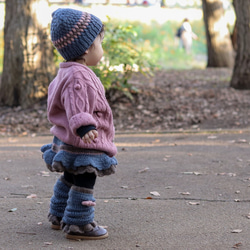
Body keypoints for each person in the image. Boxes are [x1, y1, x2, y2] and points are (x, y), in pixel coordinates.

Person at [40, 8, 118, 240]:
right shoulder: (79, 76)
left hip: (67, 138)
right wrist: (85, 126)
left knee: (70, 176)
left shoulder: (66, 71)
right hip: (83, 140)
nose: (102, 48)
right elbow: (77, 104)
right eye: (100, 43)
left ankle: (59, 213)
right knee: (85, 178)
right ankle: (79, 224)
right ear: (86, 48)